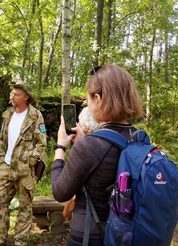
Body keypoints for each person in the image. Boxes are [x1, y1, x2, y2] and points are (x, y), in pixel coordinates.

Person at [51, 64, 143, 246]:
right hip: (128, 235)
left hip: (90, 236)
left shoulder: (90, 147)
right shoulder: (139, 138)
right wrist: (83, 143)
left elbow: (59, 192)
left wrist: (60, 147)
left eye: (88, 98)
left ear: (98, 98)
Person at [0, 81, 47, 246]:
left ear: (26, 97)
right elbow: (2, 138)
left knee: (25, 208)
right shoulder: (7, 115)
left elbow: (42, 145)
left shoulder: (36, 116)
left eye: (17, 94)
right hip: (6, 166)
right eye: (12, 93)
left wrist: (29, 161)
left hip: (26, 169)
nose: (12, 96)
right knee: (0, 202)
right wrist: (2, 157)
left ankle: (20, 242)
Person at [62, 107, 100, 220]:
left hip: (85, 223)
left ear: (86, 128)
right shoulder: (107, 147)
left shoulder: (81, 154)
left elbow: (62, 191)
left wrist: (60, 147)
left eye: (79, 124)